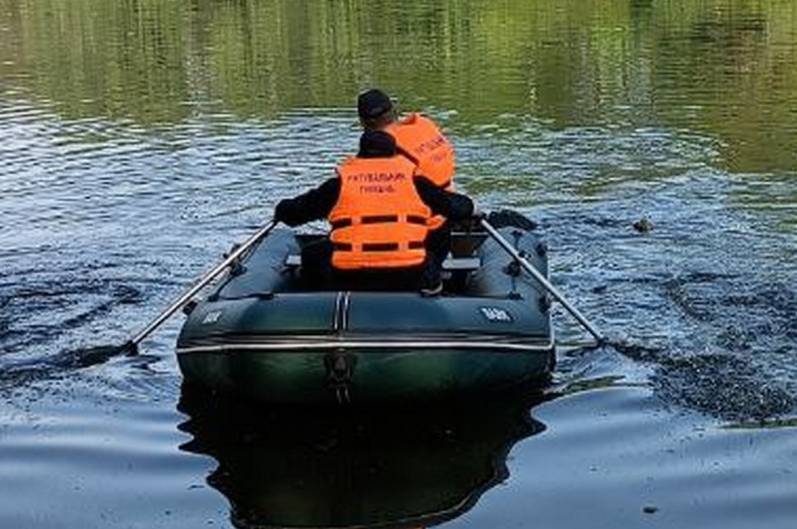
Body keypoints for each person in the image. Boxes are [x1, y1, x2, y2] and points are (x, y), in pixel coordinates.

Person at [274, 130, 476, 296]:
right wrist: (471, 208)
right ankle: (433, 301)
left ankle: (316, 305)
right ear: (395, 155)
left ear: (360, 155)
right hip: (409, 275)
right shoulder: (416, 182)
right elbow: (459, 208)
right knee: (430, 251)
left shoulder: (339, 185)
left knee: (311, 254)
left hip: (350, 276)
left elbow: (295, 214)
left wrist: (281, 209)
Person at [357, 88, 458, 283]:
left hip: (418, 236)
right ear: (393, 110)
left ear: (364, 123)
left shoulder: (385, 150)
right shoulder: (424, 125)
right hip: (444, 225)